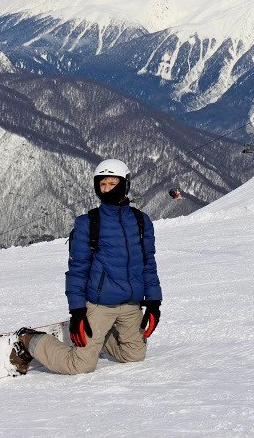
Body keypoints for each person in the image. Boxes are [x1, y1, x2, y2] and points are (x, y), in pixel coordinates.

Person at [10, 159, 163, 375]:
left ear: (125, 184)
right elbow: (77, 270)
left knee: (134, 356)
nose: (107, 189)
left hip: (131, 304)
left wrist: (154, 302)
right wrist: (78, 311)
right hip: (99, 304)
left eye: (112, 183)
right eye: (103, 184)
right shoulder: (88, 223)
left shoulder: (140, 221)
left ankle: (102, 336)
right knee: (80, 365)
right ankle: (29, 340)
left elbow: (149, 263)